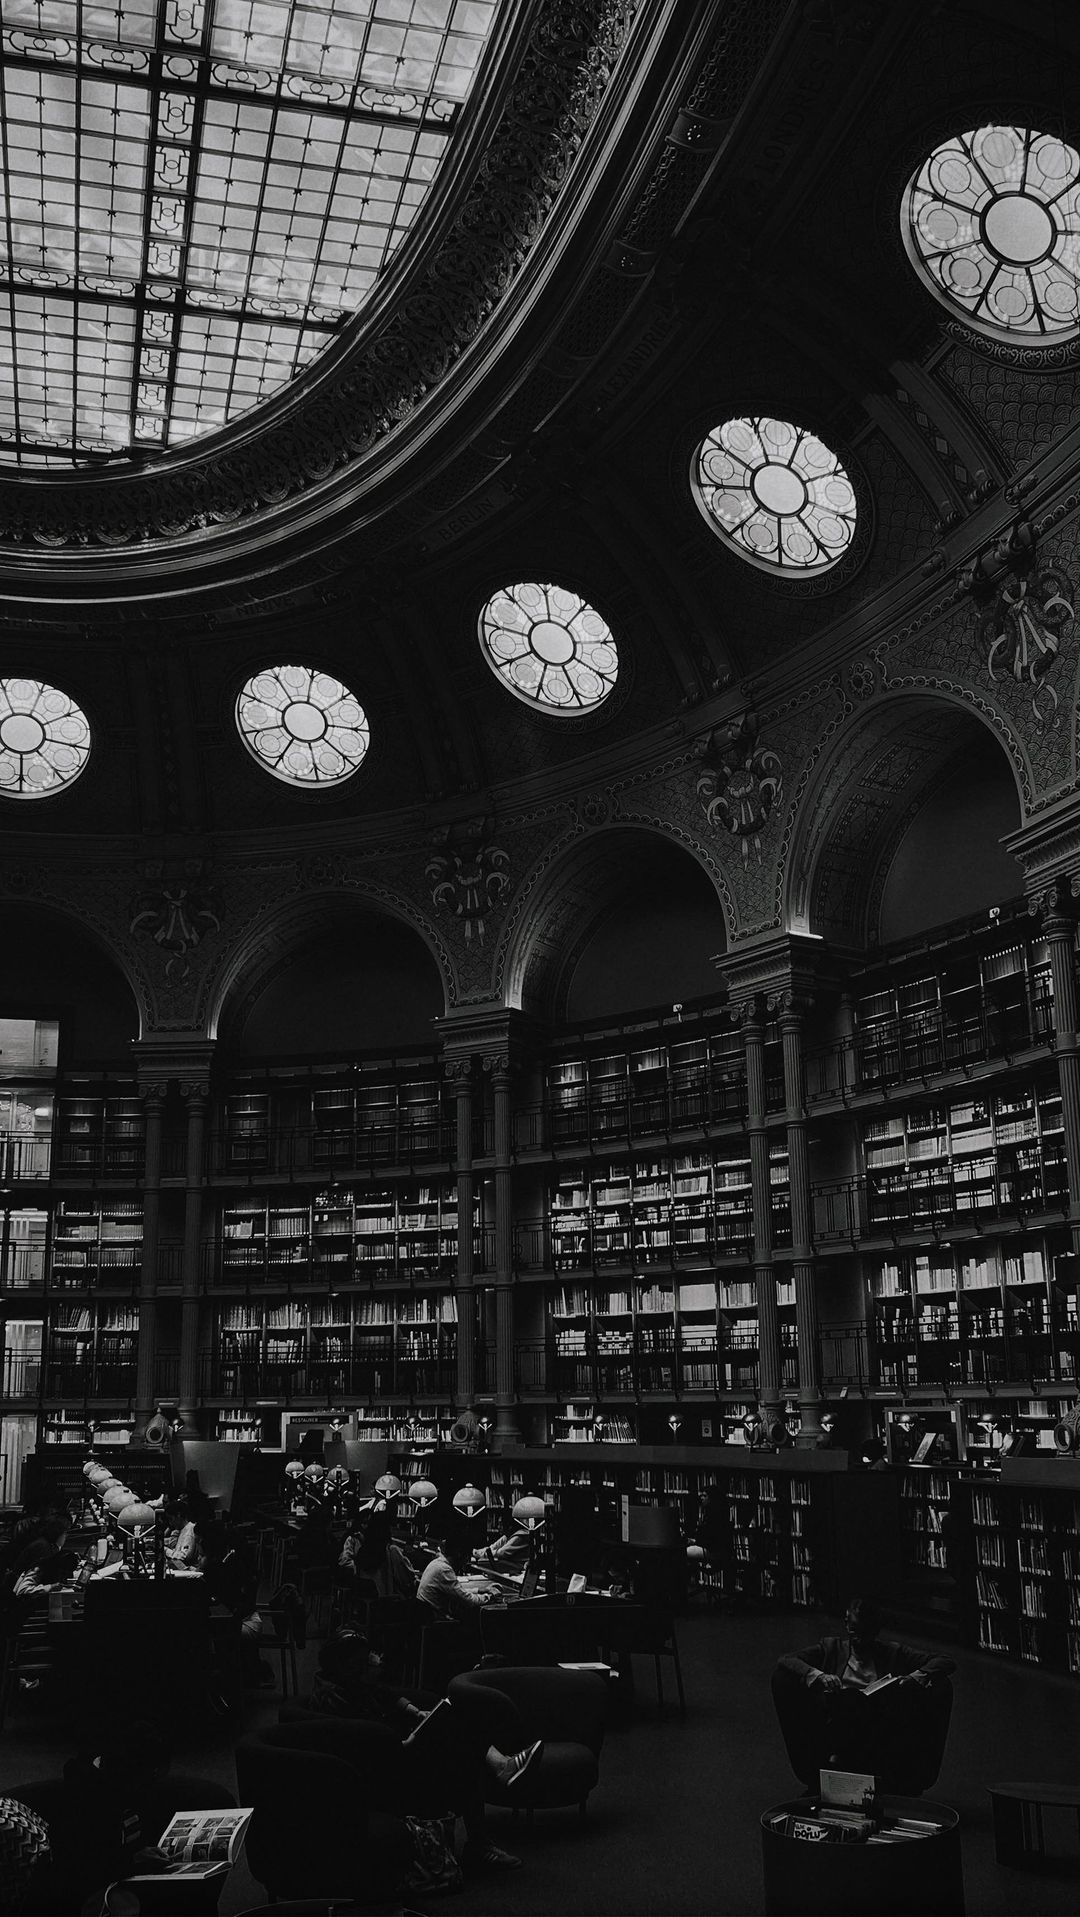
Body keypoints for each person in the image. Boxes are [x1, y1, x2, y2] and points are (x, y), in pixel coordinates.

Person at [310, 1631, 542, 1873]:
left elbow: (384, 1694)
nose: (371, 1663)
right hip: (384, 1766)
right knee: (461, 1743)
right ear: (345, 1666)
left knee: (458, 1726)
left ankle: (500, 1772)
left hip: (394, 1745)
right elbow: (362, 1744)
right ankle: (499, 1776)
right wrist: (409, 1741)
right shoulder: (334, 1698)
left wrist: (415, 1713)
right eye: (362, 1661)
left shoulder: (349, 1682)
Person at [777, 1595, 955, 1772]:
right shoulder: (832, 1648)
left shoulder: (892, 1652)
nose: (859, 1640)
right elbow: (787, 1659)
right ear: (847, 1626)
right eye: (854, 1632)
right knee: (848, 1703)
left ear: (875, 1632)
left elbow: (945, 1661)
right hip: (837, 1721)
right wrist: (820, 1676)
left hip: (879, 1724)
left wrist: (915, 1677)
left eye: (865, 1633)